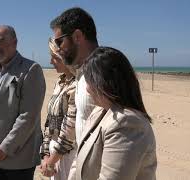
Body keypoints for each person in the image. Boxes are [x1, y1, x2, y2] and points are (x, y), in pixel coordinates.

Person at [74, 47, 157, 180]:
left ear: (103, 82)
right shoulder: (99, 111)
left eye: (89, 81)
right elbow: (78, 163)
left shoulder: (127, 123)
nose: (87, 89)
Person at [0, 25, 46, 180]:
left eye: (0, 41)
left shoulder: (31, 70)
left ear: (14, 43)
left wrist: (4, 149)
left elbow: (28, 117)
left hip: (19, 160)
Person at [50, 7, 98, 144]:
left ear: (77, 36)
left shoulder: (104, 72)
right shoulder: (82, 73)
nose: (58, 49)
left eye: (59, 42)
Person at [39, 38, 77, 180]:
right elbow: (49, 122)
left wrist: (51, 160)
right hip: (55, 151)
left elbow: (70, 131)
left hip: (71, 154)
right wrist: (45, 154)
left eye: (55, 57)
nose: (51, 62)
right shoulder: (60, 83)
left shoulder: (77, 85)